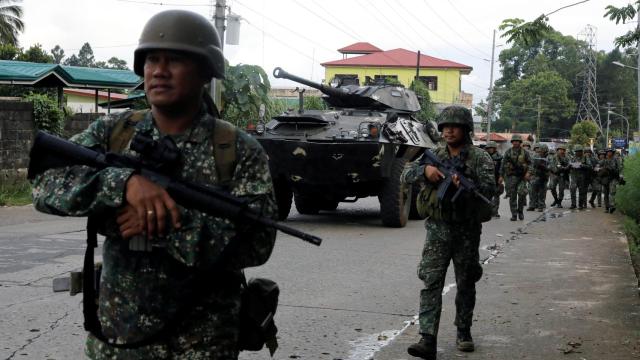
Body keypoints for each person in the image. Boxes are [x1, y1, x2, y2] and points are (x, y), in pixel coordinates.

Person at [30, 10, 277, 359]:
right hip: (118, 342)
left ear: (205, 71)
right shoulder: (113, 133)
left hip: (203, 346)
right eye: (151, 60)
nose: (159, 71)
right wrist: (123, 184)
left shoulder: (236, 149)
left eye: (174, 60)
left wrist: (163, 225)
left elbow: (259, 242)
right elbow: (45, 182)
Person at [402, 106, 495, 360]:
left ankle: (463, 331)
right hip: (437, 229)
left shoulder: (479, 158)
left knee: (466, 282)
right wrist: (425, 171)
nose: (449, 130)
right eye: (445, 126)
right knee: (431, 282)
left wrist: (465, 186)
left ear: (466, 129)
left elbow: (488, 190)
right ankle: (427, 338)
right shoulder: (434, 154)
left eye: (455, 126)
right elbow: (406, 173)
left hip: (466, 230)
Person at [499, 134, 532, 221]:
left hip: (522, 177)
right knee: (512, 196)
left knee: (521, 194)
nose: (516, 143)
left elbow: (530, 164)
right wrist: (501, 176)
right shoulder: (508, 152)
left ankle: (520, 211)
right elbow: (503, 164)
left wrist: (528, 173)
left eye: (517, 141)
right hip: (511, 177)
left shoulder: (525, 152)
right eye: (514, 141)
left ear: (520, 142)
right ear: (512, 142)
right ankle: (514, 214)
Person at [569, 145, 593, 209]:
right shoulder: (572, 157)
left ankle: (580, 204)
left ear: (582, 151)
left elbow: (590, 166)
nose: (578, 153)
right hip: (574, 176)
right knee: (572, 189)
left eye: (579, 151)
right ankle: (573, 204)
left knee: (581, 191)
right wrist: (571, 165)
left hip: (582, 176)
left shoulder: (585, 157)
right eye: (576, 151)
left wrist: (582, 165)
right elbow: (569, 165)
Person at [485, 141, 503, 217]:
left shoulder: (499, 157)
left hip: (496, 178)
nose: (490, 149)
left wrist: (501, 176)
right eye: (488, 148)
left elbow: (502, 168)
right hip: (486, 178)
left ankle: (495, 211)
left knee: (496, 196)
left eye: (491, 148)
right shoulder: (484, 156)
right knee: (487, 196)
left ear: (495, 148)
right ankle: (487, 211)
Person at [529, 144, 550, 211]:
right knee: (532, 191)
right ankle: (532, 205)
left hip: (544, 176)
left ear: (546, 151)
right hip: (535, 176)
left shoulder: (549, 157)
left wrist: (545, 167)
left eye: (542, 151)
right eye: (540, 151)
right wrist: (531, 173)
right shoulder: (536, 156)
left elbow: (551, 166)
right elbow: (531, 165)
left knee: (542, 192)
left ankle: (541, 206)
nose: (541, 152)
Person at [600, 148, 620, 213]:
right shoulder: (604, 160)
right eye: (608, 152)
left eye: (610, 152)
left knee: (612, 192)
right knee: (606, 194)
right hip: (605, 178)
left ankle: (612, 206)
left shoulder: (616, 159)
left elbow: (619, 168)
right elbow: (599, 165)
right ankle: (606, 208)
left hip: (613, 177)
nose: (609, 153)